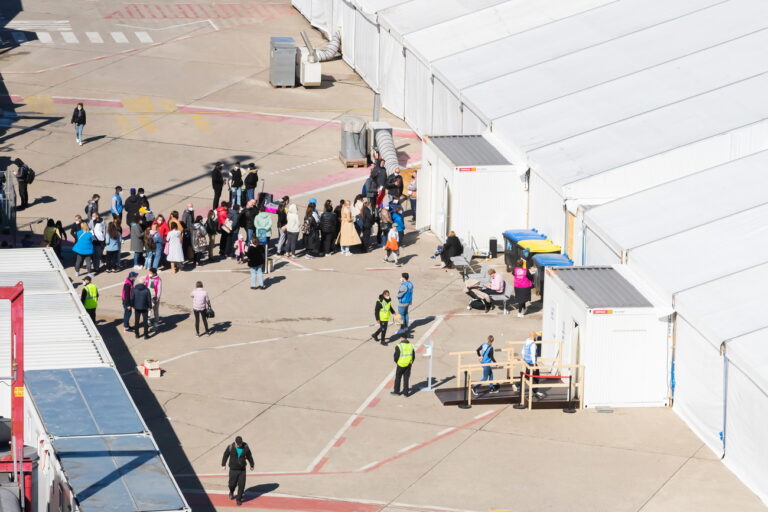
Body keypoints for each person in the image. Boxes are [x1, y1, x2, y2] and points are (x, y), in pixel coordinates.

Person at [221, 436, 254, 506]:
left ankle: (238, 499)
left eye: (240, 444)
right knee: (232, 484)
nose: (239, 445)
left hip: (242, 470)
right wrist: (223, 464)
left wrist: (252, 465)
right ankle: (231, 491)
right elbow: (225, 455)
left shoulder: (245, 447)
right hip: (233, 470)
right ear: (235, 442)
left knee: (241, 485)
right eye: (237, 444)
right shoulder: (230, 447)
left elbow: (249, 456)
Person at [523, 331, 545, 399]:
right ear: (534, 336)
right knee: (536, 376)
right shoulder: (533, 344)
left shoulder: (526, 341)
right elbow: (533, 355)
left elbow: (523, 351)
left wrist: (523, 358)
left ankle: (517, 385)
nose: (536, 337)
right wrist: (534, 365)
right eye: (536, 336)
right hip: (532, 363)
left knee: (527, 376)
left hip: (526, 362)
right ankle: (536, 391)